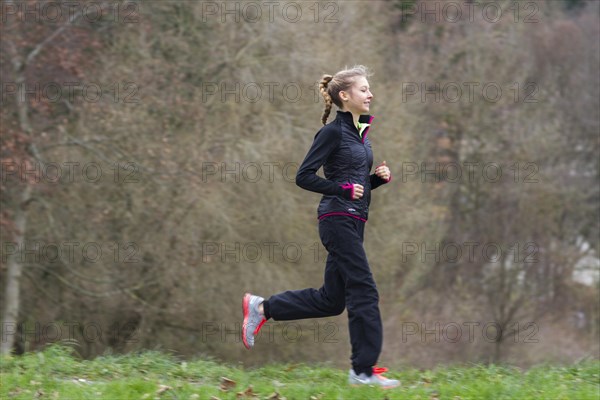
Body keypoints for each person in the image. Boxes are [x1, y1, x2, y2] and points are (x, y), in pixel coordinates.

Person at [242, 65, 398, 389]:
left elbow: (355, 184)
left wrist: (374, 181)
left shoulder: (361, 136)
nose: (370, 94)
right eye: (364, 89)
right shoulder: (332, 132)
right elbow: (304, 176)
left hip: (354, 221)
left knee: (332, 300)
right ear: (345, 96)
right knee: (364, 289)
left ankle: (262, 307)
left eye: (369, 89)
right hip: (337, 220)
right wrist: (341, 190)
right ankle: (362, 371)